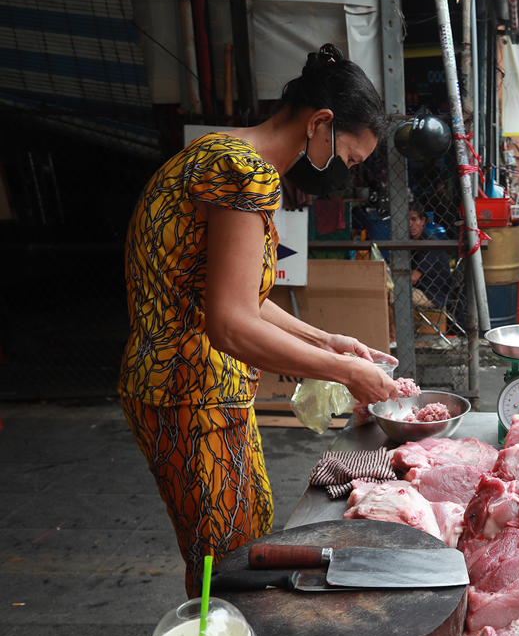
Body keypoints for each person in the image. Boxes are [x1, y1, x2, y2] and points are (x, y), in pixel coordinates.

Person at [119, 43, 401, 598]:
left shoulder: (215, 153)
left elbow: (233, 294)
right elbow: (229, 323)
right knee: (228, 561)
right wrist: (348, 374)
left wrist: (329, 340)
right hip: (190, 390)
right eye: (346, 159)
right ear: (320, 124)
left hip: (183, 386)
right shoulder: (243, 173)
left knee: (241, 534)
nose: (342, 176)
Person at [408, 208, 452, 310]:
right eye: (406, 220)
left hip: (432, 295)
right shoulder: (412, 242)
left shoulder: (429, 243)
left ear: (423, 221)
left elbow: (413, 278)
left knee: (389, 293)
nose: (410, 224)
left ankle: (394, 326)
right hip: (420, 290)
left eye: (414, 219)